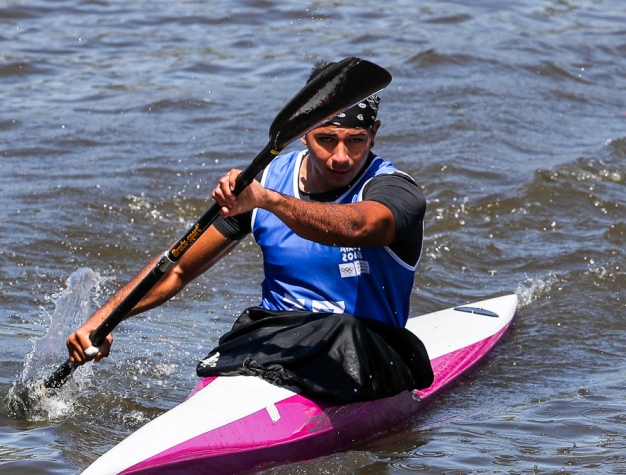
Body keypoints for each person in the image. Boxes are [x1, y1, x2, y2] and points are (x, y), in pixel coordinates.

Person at [67, 60, 431, 402]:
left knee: (342, 329)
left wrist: (269, 201)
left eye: (356, 140)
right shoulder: (267, 182)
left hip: (364, 345)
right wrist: (103, 319)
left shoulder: (395, 191)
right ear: (303, 133)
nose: (341, 156)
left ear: (374, 134)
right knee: (247, 328)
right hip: (279, 338)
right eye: (327, 139)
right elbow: (177, 267)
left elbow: (357, 226)